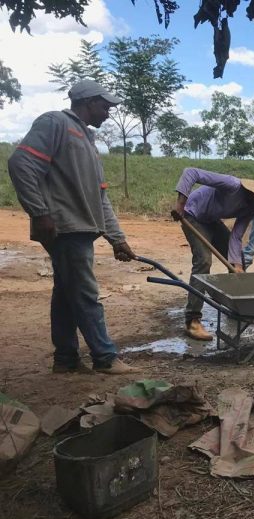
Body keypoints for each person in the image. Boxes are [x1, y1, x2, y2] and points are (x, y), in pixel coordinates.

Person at [7, 79, 138, 374]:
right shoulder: (56, 123)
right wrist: (40, 212)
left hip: (80, 228)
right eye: (104, 106)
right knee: (84, 293)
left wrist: (117, 238)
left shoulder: (87, 141)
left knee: (67, 293)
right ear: (87, 102)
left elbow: (101, 198)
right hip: (65, 227)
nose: (108, 113)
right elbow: (21, 163)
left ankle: (65, 359)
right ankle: (105, 358)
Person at [173, 168, 254, 341]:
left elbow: (236, 236)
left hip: (212, 220)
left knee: (238, 261)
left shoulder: (252, 207)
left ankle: (237, 309)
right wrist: (181, 204)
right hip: (193, 214)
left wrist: (237, 266)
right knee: (203, 261)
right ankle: (193, 320)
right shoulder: (231, 184)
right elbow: (191, 173)